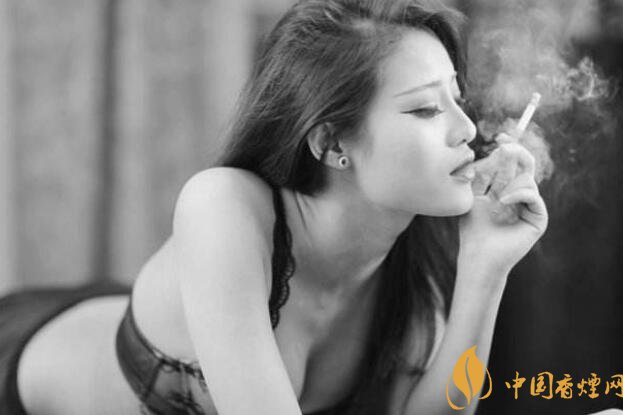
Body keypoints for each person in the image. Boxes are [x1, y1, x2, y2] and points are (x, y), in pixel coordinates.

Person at [0, 0, 551, 414]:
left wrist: (485, 267)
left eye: (458, 97)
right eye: (427, 109)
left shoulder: (411, 278)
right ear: (331, 143)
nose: (468, 128)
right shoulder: (221, 207)